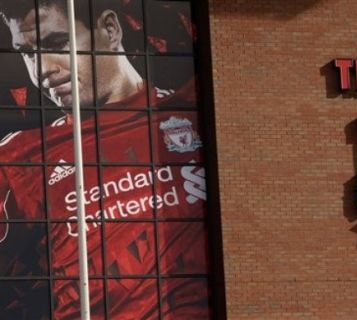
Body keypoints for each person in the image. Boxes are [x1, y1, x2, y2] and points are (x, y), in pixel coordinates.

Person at [0, 0, 210, 319]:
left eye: (57, 43)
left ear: (110, 29)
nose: (42, 70)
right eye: (28, 53)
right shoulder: (20, 158)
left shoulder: (195, 114)